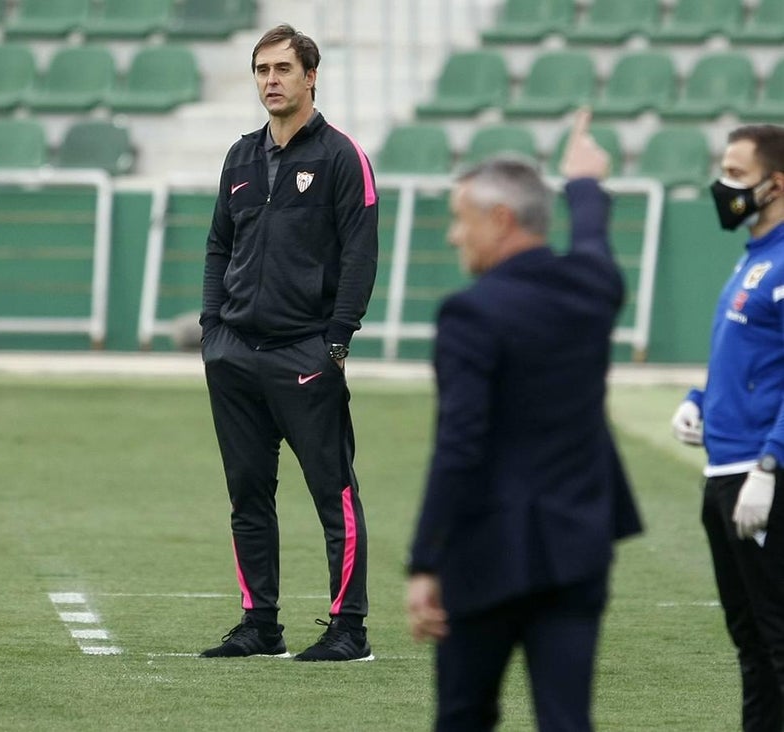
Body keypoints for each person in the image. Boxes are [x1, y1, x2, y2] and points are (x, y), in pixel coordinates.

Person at [406, 110, 643, 730]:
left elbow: (459, 446)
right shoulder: (595, 287)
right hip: (578, 545)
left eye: (461, 220)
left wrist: (425, 559)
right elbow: (591, 238)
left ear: (500, 219)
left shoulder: (469, 313)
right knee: (567, 720)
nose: (455, 237)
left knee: (464, 715)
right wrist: (585, 181)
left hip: (487, 550)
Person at [198, 24, 379, 662]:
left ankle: (348, 629)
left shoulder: (340, 157)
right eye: (261, 70)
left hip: (307, 353)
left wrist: (336, 341)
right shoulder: (239, 157)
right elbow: (220, 245)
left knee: (335, 495)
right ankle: (260, 624)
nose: (270, 81)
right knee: (248, 494)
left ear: (310, 77)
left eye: (282, 69)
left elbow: (360, 256)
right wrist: (211, 329)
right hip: (234, 355)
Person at [670, 123, 784, 732]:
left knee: (777, 637)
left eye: (737, 174)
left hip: (759, 475)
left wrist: (770, 465)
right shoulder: (754, 259)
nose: (724, 186)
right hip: (723, 471)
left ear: (776, 184)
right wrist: (700, 399)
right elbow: (746, 358)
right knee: (750, 640)